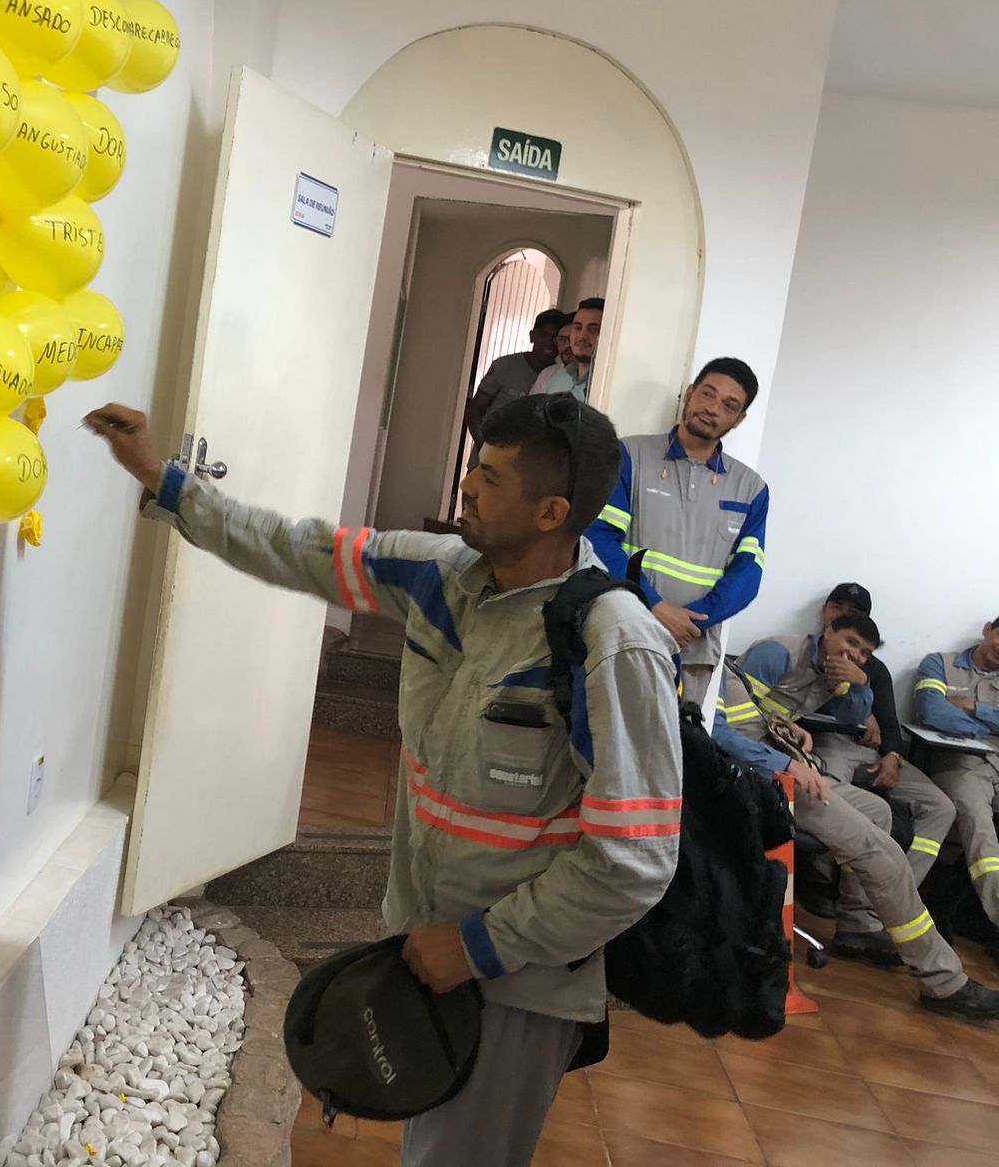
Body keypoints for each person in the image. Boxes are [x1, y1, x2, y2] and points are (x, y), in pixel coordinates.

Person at [85, 394, 682, 1167]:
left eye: (490, 477)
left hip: (517, 980)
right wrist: (163, 480)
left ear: (551, 513)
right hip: (426, 943)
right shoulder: (441, 575)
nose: (466, 486)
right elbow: (296, 548)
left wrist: (479, 946)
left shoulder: (613, 642)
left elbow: (635, 860)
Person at [712, 617, 999, 1019]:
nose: (854, 655)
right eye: (850, 643)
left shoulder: (829, 670)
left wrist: (795, 723)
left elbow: (755, 714)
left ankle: (857, 927)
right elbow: (716, 731)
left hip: (781, 763)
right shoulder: (772, 653)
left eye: (864, 652)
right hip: (764, 777)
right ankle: (943, 981)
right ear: (828, 631)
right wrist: (786, 763)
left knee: (879, 812)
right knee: (886, 857)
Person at [585, 358, 768, 706]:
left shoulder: (751, 488)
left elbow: (748, 574)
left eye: (729, 405)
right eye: (707, 394)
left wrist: (690, 621)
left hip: (693, 648)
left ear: (739, 419)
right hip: (623, 630)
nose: (712, 408)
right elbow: (600, 538)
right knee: (607, 731)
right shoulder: (630, 455)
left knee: (677, 738)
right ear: (690, 393)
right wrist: (653, 606)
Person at [816, 582, 953, 887]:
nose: (842, 614)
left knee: (941, 807)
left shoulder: (875, 669)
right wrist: (863, 711)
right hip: (827, 744)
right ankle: (821, 880)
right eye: (837, 607)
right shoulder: (805, 653)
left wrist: (893, 757)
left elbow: (890, 723)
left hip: (870, 752)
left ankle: (898, 888)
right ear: (825, 613)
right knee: (827, 796)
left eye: (854, 612)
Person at [915, 618, 999, 943]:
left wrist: (974, 708)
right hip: (960, 764)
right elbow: (932, 711)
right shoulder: (939, 664)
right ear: (988, 630)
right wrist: (988, 726)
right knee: (979, 825)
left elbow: (947, 712)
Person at [463, 307, 566, 470]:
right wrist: (486, 448)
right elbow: (474, 410)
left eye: (555, 338)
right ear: (532, 336)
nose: (549, 342)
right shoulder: (505, 365)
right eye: (543, 335)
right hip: (485, 463)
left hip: (525, 469)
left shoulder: (560, 376)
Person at [530, 297, 601, 399]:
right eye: (578, 327)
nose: (582, 336)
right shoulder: (558, 379)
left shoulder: (609, 382)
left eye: (593, 329)